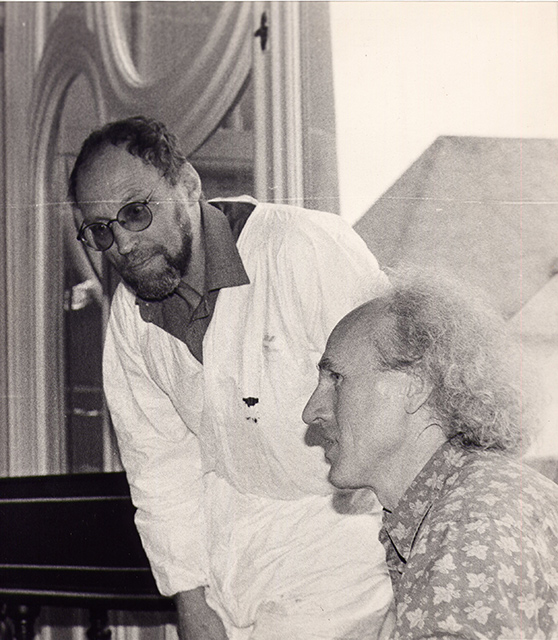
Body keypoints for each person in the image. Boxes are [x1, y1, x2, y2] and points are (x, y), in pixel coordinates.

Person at [69, 116, 393, 640]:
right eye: (102, 229)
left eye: (136, 212)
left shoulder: (305, 248)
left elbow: (394, 407)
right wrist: (190, 598)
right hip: (230, 556)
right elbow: (159, 467)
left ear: (188, 186)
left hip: (343, 542)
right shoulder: (130, 319)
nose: (123, 245)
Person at [303, 267, 558, 640]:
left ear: (414, 388)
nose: (311, 411)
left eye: (336, 379)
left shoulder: (471, 527)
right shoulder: (456, 507)